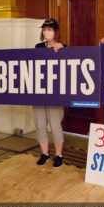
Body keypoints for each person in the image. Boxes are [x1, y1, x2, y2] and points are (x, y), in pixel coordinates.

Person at [33, 18, 67, 168]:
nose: (47, 32)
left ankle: (58, 155)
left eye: (50, 29)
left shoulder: (63, 47)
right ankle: (45, 153)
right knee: (40, 123)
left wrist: (63, 52)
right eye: (45, 29)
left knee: (55, 124)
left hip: (56, 93)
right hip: (39, 91)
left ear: (56, 32)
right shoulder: (38, 47)